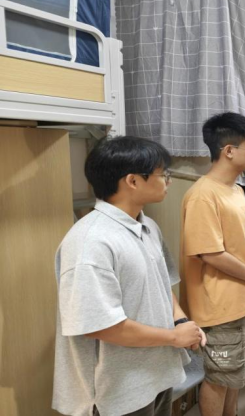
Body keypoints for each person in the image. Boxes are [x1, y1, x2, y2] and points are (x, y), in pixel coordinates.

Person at [53, 136, 205, 416]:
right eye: (163, 174)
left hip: (157, 373)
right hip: (117, 391)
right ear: (133, 181)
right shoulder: (91, 242)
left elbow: (161, 285)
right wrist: (174, 337)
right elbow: (100, 326)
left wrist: (181, 321)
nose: (169, 181)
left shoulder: (148, 226)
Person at [180, 113, 245, 416]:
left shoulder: (236, 190)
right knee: (219, 377)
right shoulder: (202, 195)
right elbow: (210, 254)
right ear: (229, 151)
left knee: (235, 373)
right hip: (219, 306)